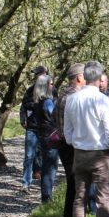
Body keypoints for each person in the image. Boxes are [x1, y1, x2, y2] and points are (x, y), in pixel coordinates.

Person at [63, 61, 109, 217]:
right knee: (103, 198)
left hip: (79, 153)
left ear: (84, 77)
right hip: (100, 153)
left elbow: (67, 133)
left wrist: (77, 142)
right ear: (99, 76)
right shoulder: (102, 100)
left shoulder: (72, 99)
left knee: (79, 198)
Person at [55, 63, 86, 217]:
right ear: (79, 78)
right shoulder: (73, 97)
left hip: (64, 144)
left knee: (73, 184)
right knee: (75, 185)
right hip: (71, 146)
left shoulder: (62, 95)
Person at [31, 73, 61, 203]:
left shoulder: (37, 102)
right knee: (50, 167)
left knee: (45, 166)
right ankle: (47, 196)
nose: (52, 86)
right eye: (51, 84)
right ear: (45, 86)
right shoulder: (48, 102)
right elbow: (54, 116)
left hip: (42, 135)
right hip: (51, 137)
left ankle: (45, 195)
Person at [19, 65, 48, 193]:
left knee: (44, 155)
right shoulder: (30, 91)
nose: (35, 77)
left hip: (45, 128)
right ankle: (26, 183)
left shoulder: (50, 90)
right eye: (35, 75)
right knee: (29, 155)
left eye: (38, 74)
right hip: (32, 127)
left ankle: (45, 183)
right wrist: (22, 119)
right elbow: (23, 106)